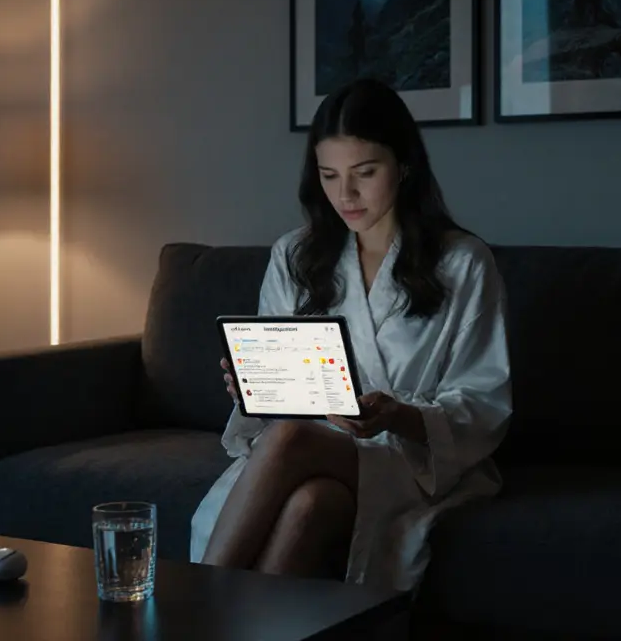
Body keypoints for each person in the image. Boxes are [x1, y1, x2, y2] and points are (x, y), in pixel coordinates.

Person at [188, 78, 514, 593]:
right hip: (313, 457)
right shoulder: (295, 256)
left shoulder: (463, 264)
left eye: (365, 173)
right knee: (311, 504)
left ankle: (191, 606)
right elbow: (283, 403)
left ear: (403, 166)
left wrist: (398, 414)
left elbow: (483, 400)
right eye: (329, 175)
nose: (346, 195)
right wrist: (257, 388)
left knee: (291, 437)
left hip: (412, 459)